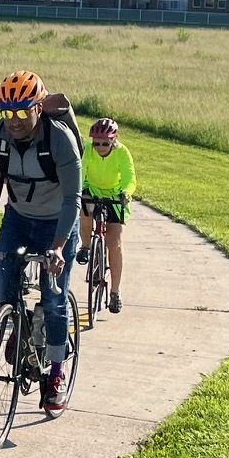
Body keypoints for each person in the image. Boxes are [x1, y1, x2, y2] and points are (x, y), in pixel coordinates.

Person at [0, 71, 82, 415]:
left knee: (54, 299)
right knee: (0, 288)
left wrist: (58, 246)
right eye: (6, 112)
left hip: (58, 224)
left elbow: (73, 199)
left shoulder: (59, 140)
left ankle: (55, 372)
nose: (13, 120)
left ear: (39, 108)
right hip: (18, 219)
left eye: (22, 112)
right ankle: (21, 324)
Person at [78, 117, 135, 314]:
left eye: (105, 143)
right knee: (85, 210)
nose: (100, 147)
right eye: (96, 143)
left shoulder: (122, 153)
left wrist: (125, 193)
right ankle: (86, 246)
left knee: (114, 243)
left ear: (114, 140)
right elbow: (81, 170)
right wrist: (77, 190)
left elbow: (129, 177)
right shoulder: (88, 150)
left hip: (115, 195)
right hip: (92, 190)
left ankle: (115, 292)